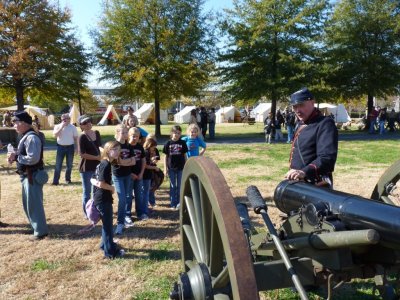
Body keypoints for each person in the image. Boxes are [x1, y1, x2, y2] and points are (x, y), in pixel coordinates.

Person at [285, 88, 338, 188]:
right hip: (298, 181)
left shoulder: (325, 124)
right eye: (295, 106)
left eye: (301, 105)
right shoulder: (301, 123)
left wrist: (304, 172)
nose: (297, 110)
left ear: (312, 102)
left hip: (316, 183)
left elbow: (327, 158)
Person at [7, 112, 48, 240]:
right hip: (27, 175)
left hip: (32, 176)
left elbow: (33, 159)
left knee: (34, 205)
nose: (14, 124)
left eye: (16, 122)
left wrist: (16, 157)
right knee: (29, 204)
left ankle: (40, 232)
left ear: (24, 123)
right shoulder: (25, 136)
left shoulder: (31, 138)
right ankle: (35, 227)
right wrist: (15, 155)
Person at [91, 140, 125, 259]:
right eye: (114, 149)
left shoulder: (104, 163)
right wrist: (112, 188)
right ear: (107, 150)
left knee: (107, 225)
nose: (117, 152)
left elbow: (93, 179)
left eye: (118, 150)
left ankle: (104, 245)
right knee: (108, 226)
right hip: (102, 198)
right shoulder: (105, 164)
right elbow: (100, 183)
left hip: (101, 197)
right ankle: (110, 252)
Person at [113, 124, 136, 235]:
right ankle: (120, 222)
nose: (125, 135)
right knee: (122, 198)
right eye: (123, 132)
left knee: (128, 196)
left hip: (127, 175)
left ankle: (127, 216)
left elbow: (134, 161)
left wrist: (124, 162)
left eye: (126, 132)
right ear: (117, 133)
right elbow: (117, 162)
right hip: (117, 176)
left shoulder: (129, 146)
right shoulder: (115, 146)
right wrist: (127, 162)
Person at [77, 115, 101, 218]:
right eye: (85, 123)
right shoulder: (82, 136)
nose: (88, 124)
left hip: (97, 166)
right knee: (87, 191)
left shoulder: (97, 133)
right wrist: (96, 158)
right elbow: (82, 154)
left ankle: (95, 209)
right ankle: (87, 212)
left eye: (89, 121)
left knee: (96, 190)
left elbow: (100, 147)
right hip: (86, 168)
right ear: (81, 125)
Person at [163, 125, 188, 209]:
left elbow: (185, 155)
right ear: (171, 133)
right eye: (175, 133)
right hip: (171, 168)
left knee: (180, 185)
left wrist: (186, 165)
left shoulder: (183, 143)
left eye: (178, 133)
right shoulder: (168, 143)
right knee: (173, 186)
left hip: (181, 167)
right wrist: (165, 169)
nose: (176, 135)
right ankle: (173, 203)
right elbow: (165, 157)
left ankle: (179, 203)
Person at [52, 113, 78, 185]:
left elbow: (76, 138)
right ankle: (55, 181)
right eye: (63, 119)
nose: (65, 120)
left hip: (70, 147)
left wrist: (77, 147)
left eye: (66, 119)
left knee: (69, 165)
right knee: (58, 165)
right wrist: (61, 127)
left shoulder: (73, 127)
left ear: (69, 119)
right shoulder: (57, 126)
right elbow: (55, 135)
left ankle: (68, 179)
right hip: (60, 147)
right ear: (61, 119)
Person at [128, 127, 147, 220]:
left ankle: (140, 213)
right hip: (129, 175)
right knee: (128, 196)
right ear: (129, 136)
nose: (135, 138)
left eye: (137, 136)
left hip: (139, 175)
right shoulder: (126, 147)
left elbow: (143, 161)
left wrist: (141, 173)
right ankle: (127, 214)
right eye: (133, 136)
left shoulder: (140, 147)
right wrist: (130, 174)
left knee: (139, 195)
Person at [143, 135, 161, 209]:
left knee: (151, 188)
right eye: (153, 148)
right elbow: (145, 165)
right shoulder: (146, 152)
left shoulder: (150, 151)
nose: (154, 149)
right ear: (150, 146)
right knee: (146, 189)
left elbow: (150, 161)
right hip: (145, 173)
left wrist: (152, 160)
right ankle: (145, 204)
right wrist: (154, 167)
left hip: (150, 172)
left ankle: (150, 202)